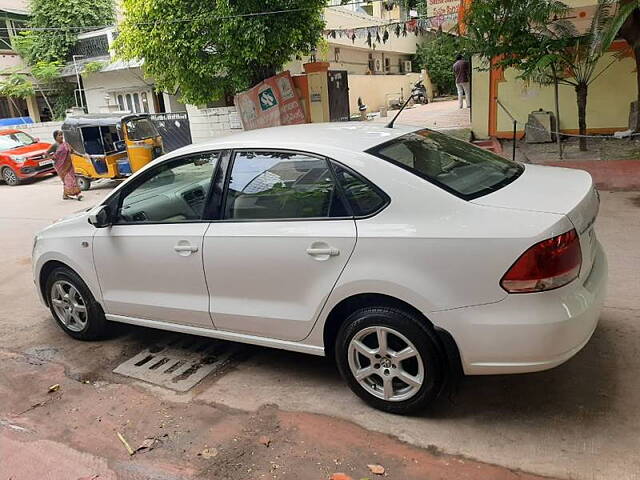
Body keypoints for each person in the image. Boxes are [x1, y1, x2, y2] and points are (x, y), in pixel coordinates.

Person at [47, 130, 83, 201]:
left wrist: (81, 155)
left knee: (69, 180)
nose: (61, 137)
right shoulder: (55, 145)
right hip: (60, 167)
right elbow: (46, 153)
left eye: (62, 135)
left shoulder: (66, 144)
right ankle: (77, 194)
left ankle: (65, 195)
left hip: (69, 165)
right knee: (69, 180)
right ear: (55, 137)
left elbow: (73, 151)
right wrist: (52, 158)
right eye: (59, 135)